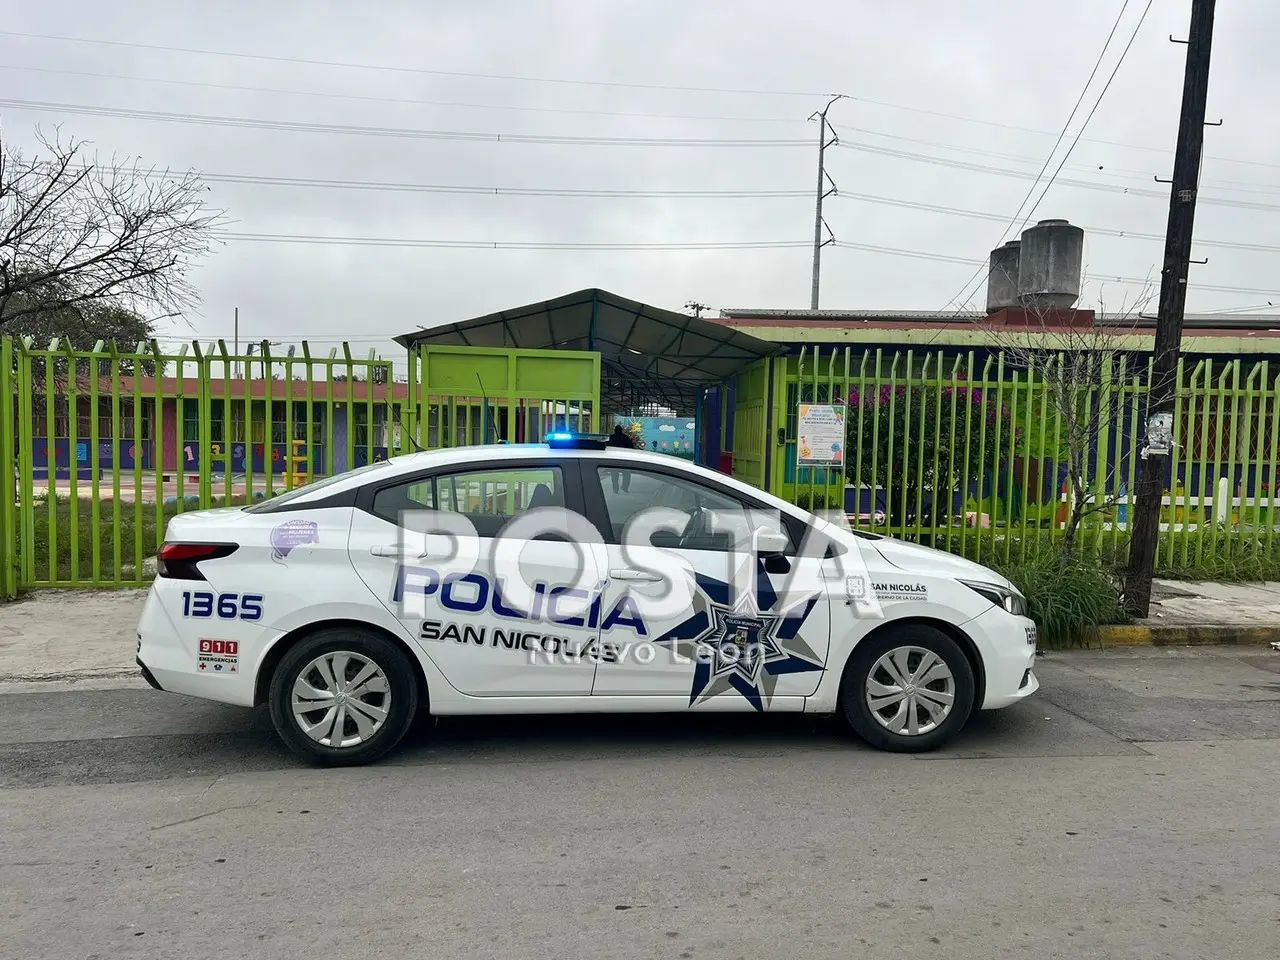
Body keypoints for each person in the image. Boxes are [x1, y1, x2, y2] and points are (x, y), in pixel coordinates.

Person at [606, 425, 634, 493]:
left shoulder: (611, 437)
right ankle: (624, 487)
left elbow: (606, 447)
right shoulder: (625, 438)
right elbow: (631, 447)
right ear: (621, 430)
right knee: (626, 475)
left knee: (614, 476)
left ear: (615, 430)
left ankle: (615, 489)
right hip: (624, 459)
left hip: (614, 460)